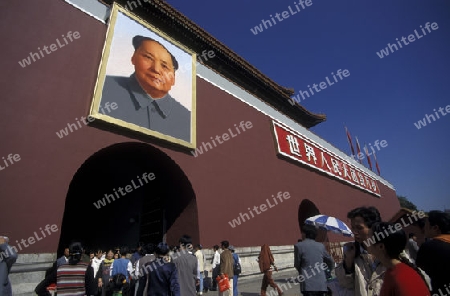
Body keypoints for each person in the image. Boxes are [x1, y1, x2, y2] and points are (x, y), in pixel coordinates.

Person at [101, 35, 191, 142]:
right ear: (133, 58)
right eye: (148, 57)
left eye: (164, 66)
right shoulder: (104, 87)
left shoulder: (187, 119)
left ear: (173, 79)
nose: (156, 69)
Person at [367, 222, 430, 296]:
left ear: (381, 247)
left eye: (369, 238)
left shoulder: (402, 277)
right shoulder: (391, 271)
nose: (366, 241)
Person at [335, 206, 385, 296]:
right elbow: (345, 284)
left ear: (373, 228)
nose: (355, 232)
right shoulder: (353, 252)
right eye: (353, 228)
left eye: (359, 228)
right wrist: (348, 263)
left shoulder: (388, 251)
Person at [294, 224, 334, 296]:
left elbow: (297, 264)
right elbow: (330, 261)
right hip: (321, 283)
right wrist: (328, 271)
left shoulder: (298, 246)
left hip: (307, 283)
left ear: (305, 234)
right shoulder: (321, 246)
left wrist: (303, 272)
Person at [416, 210, 450, 295]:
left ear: (435, 228)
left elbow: (420, 266)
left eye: (426, 225)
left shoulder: (429, 246)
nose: (424, 228)